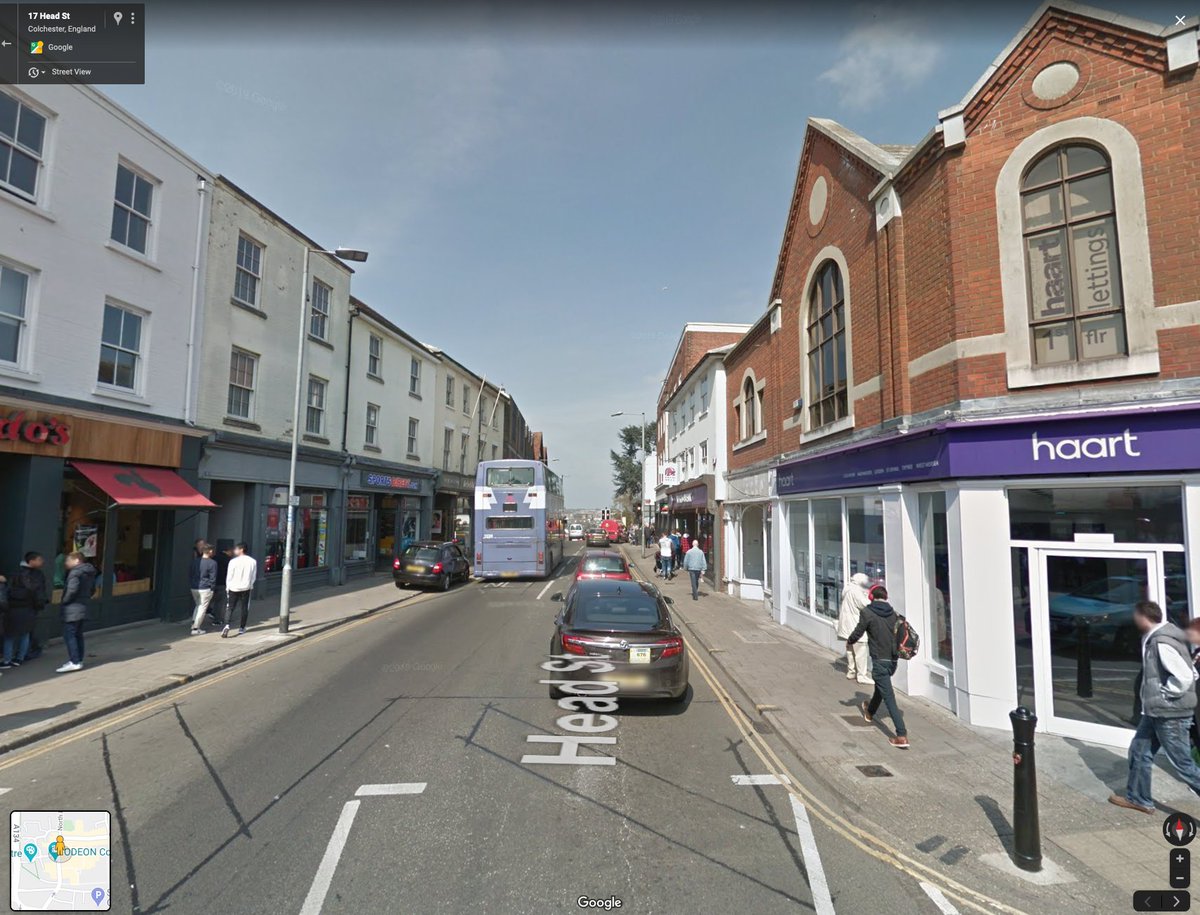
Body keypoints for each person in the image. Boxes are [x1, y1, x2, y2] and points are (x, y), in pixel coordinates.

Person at [1110, 600, 1200, 814]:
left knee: (1183, 764)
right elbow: (1193, 670)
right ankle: (1138, 798)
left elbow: (1185, 675)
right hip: (1155, 712)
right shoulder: (1170, 635)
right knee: (1139, 751)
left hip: (1170, 713)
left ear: (1143, 617)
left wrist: (1167, 693)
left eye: (1136, 617)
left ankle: (1138, 797)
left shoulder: (1162, 641)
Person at [848, 585, 909, 749]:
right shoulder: (895, 615)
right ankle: (869, 712)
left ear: (871, 596)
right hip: (893, 661)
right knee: (881, 688)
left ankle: (901, 735)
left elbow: (858, 631)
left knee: (889, 698)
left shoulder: (868, 613)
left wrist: (850, 641)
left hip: (879, 660)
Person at [3, 552, 47, 670]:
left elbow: (7, 591)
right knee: (25, 634)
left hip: (13, 608)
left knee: (9, 635)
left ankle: (7, 660)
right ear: (31, 561)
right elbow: (39, 593)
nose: (42, 562)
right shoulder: (38, 575)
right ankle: (19, 658)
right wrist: (39, 605)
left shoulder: (16, 574)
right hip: (29, 608)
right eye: (39, 559)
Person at [58, 551, 96, 673]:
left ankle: (74, 661)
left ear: (77, 561)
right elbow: (92, 589)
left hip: (72, 609)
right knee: (78, 635)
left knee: (70, 635)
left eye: (68, 560)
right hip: (82, 606)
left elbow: (72, 590)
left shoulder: (75, 573)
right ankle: (78, 660)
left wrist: (64, 601)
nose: (66, 563)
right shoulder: (89, 573)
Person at [837, 573, 874, 685]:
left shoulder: (847, 588)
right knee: (860, 650)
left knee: (850, 649)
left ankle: (851, 671)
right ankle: (862, 675)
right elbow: (865, 605)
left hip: (846, 625)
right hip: (855, 624)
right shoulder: (856, 592)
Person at [222, 542, 257, 638]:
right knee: (244, 608)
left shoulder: (233, 561)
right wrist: (250, 585)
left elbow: (229, 576)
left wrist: (227, 587)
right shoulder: (252, 561)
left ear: (241, 549)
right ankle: (242, 628)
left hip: (233, 587)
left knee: (230, 607)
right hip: (246, 588)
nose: (234, 551)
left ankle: (227, 625)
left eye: (236, 549)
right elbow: (253, 576)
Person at [190, 546, 218, 634]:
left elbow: (190, 574)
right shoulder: (212, 563)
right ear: (210, 551)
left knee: (198, 605)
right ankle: (196, 628)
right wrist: (212, 589)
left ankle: (194, 623)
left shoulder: (195, 561)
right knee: (202, 607)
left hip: (194, 587)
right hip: (205, 588)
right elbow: (213, 578)